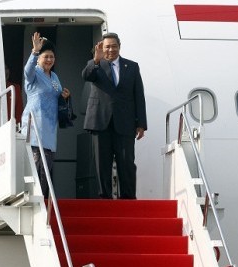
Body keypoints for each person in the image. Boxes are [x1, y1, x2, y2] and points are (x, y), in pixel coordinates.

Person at [81, 32, 147, 199]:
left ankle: (129, 198)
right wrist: (95, 59)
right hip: (100, 121)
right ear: (101, 48)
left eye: (113, 46)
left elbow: (138, 95)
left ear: (119, 47)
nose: (110, 49)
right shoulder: (96, 65)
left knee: (127, 163)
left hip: (125, 122)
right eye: (107, 46)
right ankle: (105, 197)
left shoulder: (132, 67)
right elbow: (86, 76)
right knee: (102, 164)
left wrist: (141, 124)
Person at [21, 32, 70, 198]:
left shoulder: (54, 76)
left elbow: (56, 95)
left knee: (47, 167)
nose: (49, 60)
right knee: (36, 165)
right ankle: (36, 198)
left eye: (52, 57)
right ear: (39, 58)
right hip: (34, 126)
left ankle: (43, 197)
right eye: (45, 56)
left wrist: (64, 96)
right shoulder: (34, 73)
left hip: (50, 127)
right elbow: (26, 71)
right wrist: (34, 52)